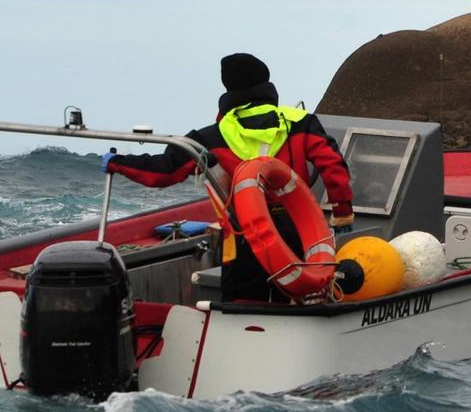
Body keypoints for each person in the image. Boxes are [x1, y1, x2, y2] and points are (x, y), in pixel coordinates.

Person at [103, 53, 355, 301]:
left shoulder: (210, 137)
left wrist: (118, 163)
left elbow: (164, 171)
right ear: (266, 84)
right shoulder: (301, 122)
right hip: (296, 228)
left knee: (243, 304)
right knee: (298, 297)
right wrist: (342, 210)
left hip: (244, 235)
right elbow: (333, 166)